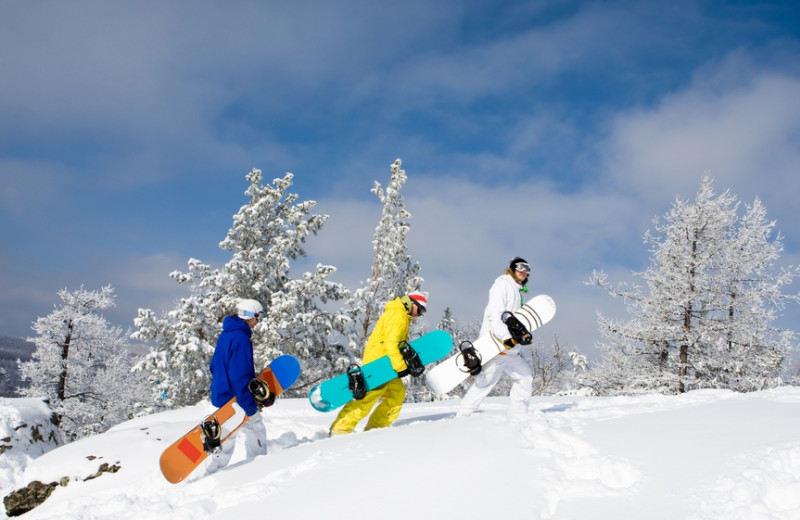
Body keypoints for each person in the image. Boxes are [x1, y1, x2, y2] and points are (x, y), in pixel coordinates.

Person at [329, 291, 428, 436]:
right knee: (367, 398)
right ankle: (339, 430)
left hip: (387, 365)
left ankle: (375, 430)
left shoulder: (401, 315)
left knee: (396, 395)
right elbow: (391, 343)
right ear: (412, 303)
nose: (419, 314)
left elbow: (396, 343)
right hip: (379, 364)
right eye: (420, 310)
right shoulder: (398, 315)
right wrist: (400, 367)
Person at [457, 257, 534, 419]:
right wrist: (505, 338)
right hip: (497, 346)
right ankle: (462, 417)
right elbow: (494, 313)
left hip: (510, 350)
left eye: (527, 269)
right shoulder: (503, 284)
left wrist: (520, 338)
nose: (524, 271)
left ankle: (518, 415)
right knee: (484, 385)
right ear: (512, 268)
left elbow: (514, 320)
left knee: (525, 376)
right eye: (520, 267)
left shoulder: (516, 290)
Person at [205, 298, 270, 474]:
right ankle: (259, 468)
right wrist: (249, 405)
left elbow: (214, 365)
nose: (259, 322)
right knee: (256, 429)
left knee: (226, 439)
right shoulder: (241, 338)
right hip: (237, 398)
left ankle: (210, 472)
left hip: (222, 395)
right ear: (252, 316)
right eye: (259, 317)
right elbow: (239, 375)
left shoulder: (226, 334)